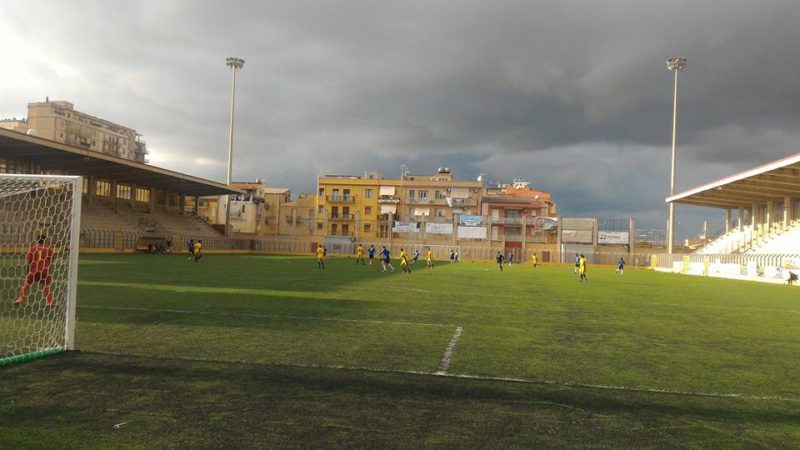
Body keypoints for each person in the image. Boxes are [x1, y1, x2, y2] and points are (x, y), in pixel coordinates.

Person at [15, 236, 55, 306]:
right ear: (44, 241)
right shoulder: (48, 249)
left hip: (34, 270)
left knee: (26, 284)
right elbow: (51, 260)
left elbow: (29, 260)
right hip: (44, 270)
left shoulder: (32, 249)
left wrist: (28, 269)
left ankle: (20, 299)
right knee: (47, 286)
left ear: (37, 240)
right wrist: (49, 268)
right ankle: (49, 302)